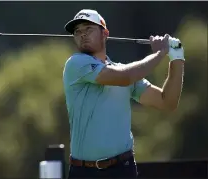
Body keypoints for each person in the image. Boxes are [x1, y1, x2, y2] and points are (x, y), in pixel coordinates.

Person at [62, 9, 185, 178]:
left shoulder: (123, 71)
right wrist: (159, 53)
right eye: (78, 32)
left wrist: (177, 58)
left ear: (105, 34)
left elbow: (167, 102)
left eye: (88, 29)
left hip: (122, 169)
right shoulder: (76, 64)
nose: (82, 35)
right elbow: (124, 77)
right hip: (84, 171)